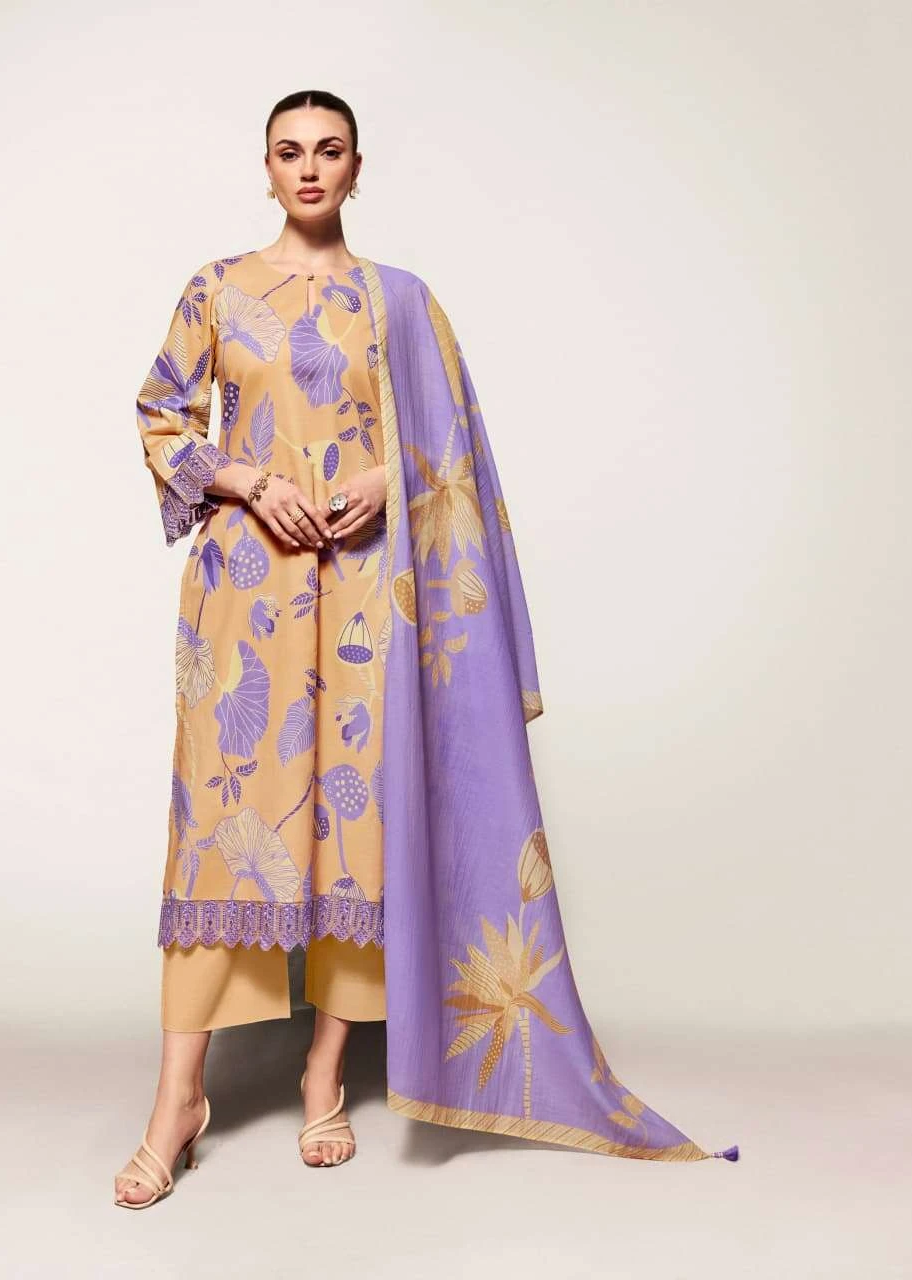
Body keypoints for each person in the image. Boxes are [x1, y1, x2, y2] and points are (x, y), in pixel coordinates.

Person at [117, 90, 739, 1209]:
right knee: (221, 836)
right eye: (289, 152)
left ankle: (323, 1074)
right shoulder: (216, 287)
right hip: (246, 594)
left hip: (369, 590)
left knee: (359, 831)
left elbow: (452, 451)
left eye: (330, 151)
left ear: (358, 169)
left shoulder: (399, 300)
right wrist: (246, 479)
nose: (310, 168)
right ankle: (178, 1102)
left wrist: (382, 478)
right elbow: (163, 413)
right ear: (265, 170)